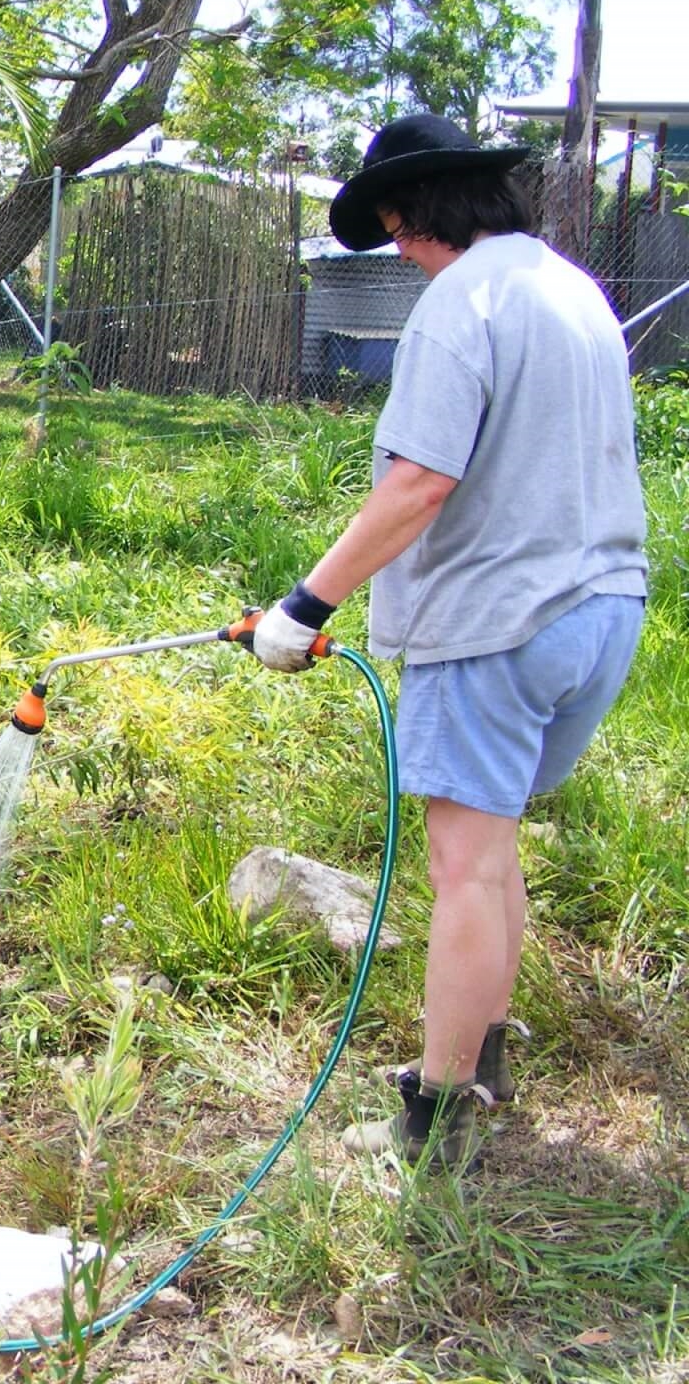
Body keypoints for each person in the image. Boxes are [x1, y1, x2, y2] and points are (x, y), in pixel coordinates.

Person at [252, 115, 647, 1168]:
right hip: (600, 607)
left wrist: (305, 605)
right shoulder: (571, 292)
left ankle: (433, 1117)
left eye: (384, 229)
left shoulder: (456, 304)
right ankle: (482, 1057)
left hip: (495, 627)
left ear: (401, 215)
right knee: (493, 850)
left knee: (463, 866)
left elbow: (419, 482)